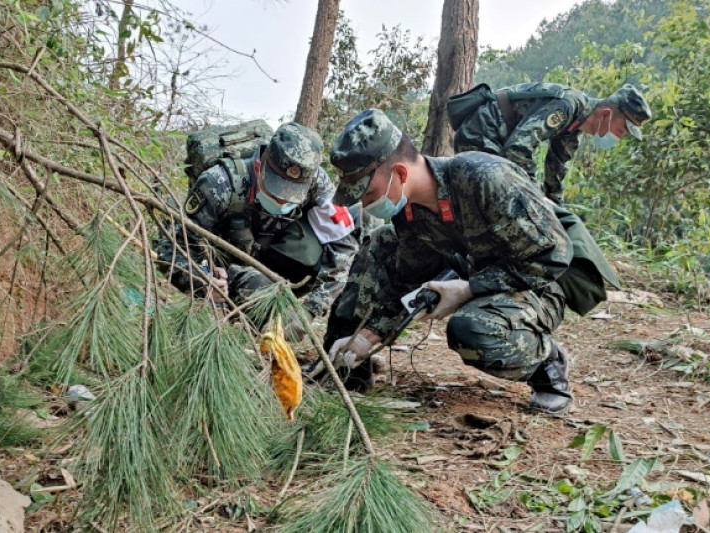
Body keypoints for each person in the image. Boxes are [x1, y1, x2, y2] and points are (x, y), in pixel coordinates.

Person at [322, 109, 575, 414]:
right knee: (380, 242)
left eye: (368, 192)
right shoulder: (410, 213)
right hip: (473, 275)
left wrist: (468, 290)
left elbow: (553, 257)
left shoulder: (485, 178)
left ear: (401, 174)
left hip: (539, 286)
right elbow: (404, 283)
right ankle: (345, 363)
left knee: (470, 329)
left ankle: (547, 365)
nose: (363, 203)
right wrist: (366, 337)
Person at [155, 122, 358, 334]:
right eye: (275, 192)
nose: (282, 202)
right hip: (225, 267)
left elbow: (343, 248)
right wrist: (204, 282)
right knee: (257, 284)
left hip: (274, 257)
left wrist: (309, 311)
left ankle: (271, 315)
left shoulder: (317, 183)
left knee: (342, 245)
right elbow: (171, 251)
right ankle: (234, 336)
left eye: (292, 196)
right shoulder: (219, 184)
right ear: (259, 168)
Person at [451, 82, 651, 203]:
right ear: (606, 114)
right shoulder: (568, 106)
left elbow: (554, 175)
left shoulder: (573, 129)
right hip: (481, 132)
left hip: (497, 140)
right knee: (491, 201)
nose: (617, 137)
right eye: (620, 130)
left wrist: (557, 213)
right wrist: (535, 197)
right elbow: (518, 149)